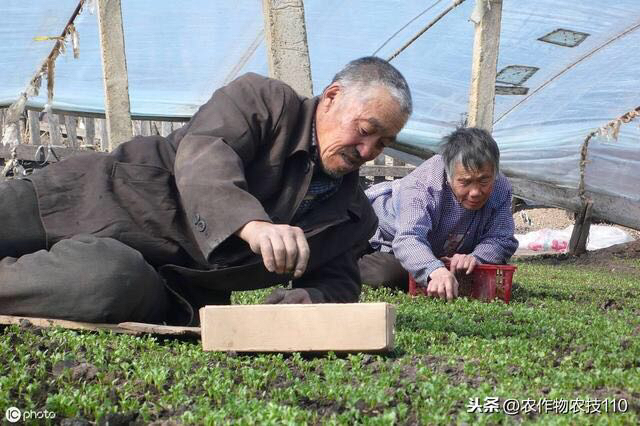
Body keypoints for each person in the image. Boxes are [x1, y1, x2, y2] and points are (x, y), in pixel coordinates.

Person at [0, 56, 412, 325]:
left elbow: (339, 284)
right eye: (365, 131)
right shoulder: (265, 101)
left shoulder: (355, 215)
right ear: (332, 98)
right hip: (84, 196)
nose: (367, 151)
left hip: (154, 277)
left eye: (382, 143)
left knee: (105, 284)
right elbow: (206, 153)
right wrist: (252, 224)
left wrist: (311, 300)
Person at [358, 127, 518, 300]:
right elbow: (409, 237)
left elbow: (502, 238)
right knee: (387, 275)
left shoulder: (501, 187)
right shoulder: (421, 186)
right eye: (465, 182)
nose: (475, 192)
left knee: (477, 271)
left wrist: (476, 257)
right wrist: (435, 270)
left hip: (442, 250)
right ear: (448, 175)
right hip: (382, 236)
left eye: (484, 181)